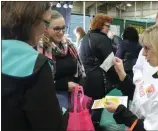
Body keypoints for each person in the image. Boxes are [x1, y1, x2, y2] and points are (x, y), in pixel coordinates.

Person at [105, 22, 158, 130]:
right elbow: (145, 95)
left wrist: (121, 111)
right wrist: (122, 74)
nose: (143, 53)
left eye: (147, 48)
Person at [2, 2, 65, 130]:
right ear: (32, 22)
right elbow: (50, 125)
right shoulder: (36, 64)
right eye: (46, 23)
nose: (45, 29)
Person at [36, 10, 86, 109]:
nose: (61, 32)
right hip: (50, 98)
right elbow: (38, 82)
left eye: (63, 28)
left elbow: (78, 71)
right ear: (45, 29)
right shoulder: (39, 48)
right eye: (57, 29)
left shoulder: (69, 46)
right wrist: (64, 85)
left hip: (73, 96)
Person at [79, 13, 119, 125]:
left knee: (87, 106)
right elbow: (109, 63)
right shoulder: (103, 39)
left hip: (84, 78)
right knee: (97, 106)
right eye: (108, 26)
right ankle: (94, 125)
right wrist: (118, 80)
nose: (109, 29)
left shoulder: (86, 37)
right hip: (98, 80)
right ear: (101, 25)